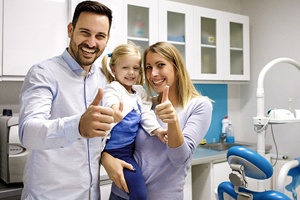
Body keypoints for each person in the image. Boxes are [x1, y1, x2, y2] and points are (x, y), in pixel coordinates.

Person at [18, 1, 118, 199]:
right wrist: (78, 126)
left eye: (100, 36)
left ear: (107, 39)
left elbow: (100, 140)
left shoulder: (104, 79)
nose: (91, 43)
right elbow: (28, 132)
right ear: (70, 30)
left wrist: (107, 156)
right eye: (84, 32)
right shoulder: (44, 73)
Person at [101, 41, 213, 200]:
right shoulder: (143, 103)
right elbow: (116, 140)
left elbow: (179, 158)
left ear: (176, 68)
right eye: (148, 67)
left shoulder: (199, 106)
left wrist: (172, 121)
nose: (153, 73)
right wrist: (105, 158)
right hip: (120, 194)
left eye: (160, 65)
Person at [101, 43, 167, 200]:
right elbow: (110, 99)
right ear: (113, 68)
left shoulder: (139, 91)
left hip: (128, 151)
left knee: (135, 192)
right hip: (114, 152)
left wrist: (157, 130)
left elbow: (146, 114)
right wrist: (114, 110)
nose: (131, 73)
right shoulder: (114, 87)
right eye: (125, 68)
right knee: (139, 194)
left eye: (136, 68)